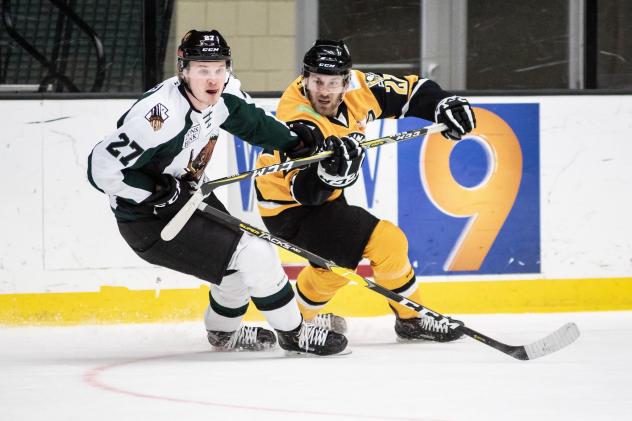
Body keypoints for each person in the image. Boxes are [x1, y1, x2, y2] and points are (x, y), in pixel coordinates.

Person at [87, 30, 348, 356]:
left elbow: (252, 121)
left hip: (187, 196)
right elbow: (101, 169)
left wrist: (296, 142)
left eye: (219, 68)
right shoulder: (159, 116)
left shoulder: (223, 94)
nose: (213, 78)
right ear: (183, 70)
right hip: (148, 219)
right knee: (254, 253)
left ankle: (223, 335)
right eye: (202, 69)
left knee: (234, 271)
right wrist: (155, 191)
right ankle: (295, 335)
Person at [254, 40, 476, 343]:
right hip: (287, 206)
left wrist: (443, 104)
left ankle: (296, 320)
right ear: (304, 79)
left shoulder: (359, 87)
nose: (324, 91)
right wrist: (329, 175)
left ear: (347, 81)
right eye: (317, 81)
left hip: (325, 196)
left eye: (334, 83)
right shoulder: (297, 120)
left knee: (333, 266)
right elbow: (307, 194)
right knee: (385, 242)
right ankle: (411, 320)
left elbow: (412, 92)